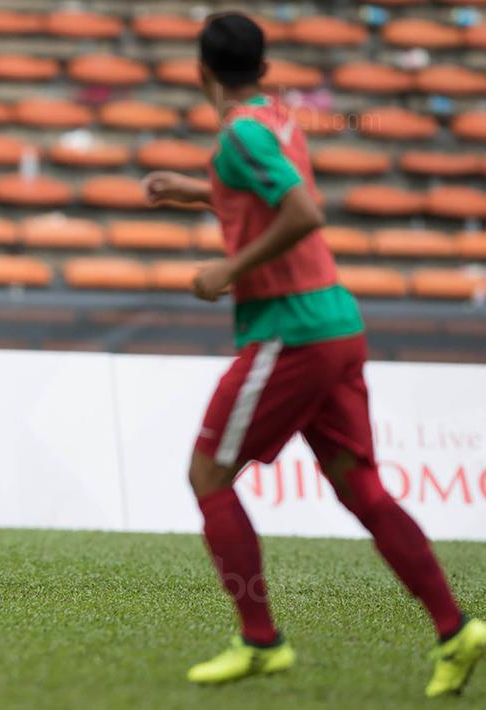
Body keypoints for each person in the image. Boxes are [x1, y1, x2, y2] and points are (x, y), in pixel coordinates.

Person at [142, 13, 483, 696]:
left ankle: (260, 641)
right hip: (336, 322)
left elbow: (301, 211)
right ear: (263, 70)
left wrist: (226, 268)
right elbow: (262, 194)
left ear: (200, 73)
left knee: (207, 476)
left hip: (288, 331)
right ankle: (456, 630)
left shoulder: (237, 132)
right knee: (361, 488)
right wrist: (193, 192)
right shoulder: (276, 118)